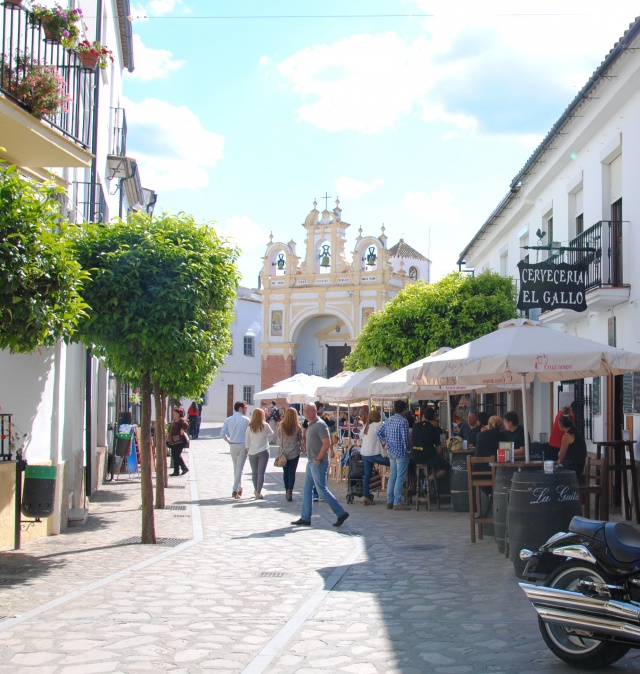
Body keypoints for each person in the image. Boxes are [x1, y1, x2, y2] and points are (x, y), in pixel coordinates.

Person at [291, 403, 349, 527]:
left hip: (318, 462)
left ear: (313, 411)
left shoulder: (320, 425)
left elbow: (327, 443)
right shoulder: (311, 424)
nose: (304, 413)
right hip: (311, 461)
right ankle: (305, 517)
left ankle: (340, 513)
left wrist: (318, 458)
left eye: (306, 410)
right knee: (307, 490)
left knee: (322, 490)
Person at [376, 400, 412, 510]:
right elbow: (405, 439)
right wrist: (409, 450)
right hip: (401, 452)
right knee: (400, 478)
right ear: (404, 410)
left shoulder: (388, 420)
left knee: (393, 476)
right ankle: (397, 502)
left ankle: (389, 501)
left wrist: (384, 443)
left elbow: (378, 433)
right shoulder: (403, 421)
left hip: (391, 451)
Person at [411, 406, 449, 489]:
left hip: (415, 457)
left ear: (424, 416)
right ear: (434, 417)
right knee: (446, 466)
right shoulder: (434, 429)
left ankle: (427, 484)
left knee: (433, 464)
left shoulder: (416, 426)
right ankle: (428, 480)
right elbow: (439, 449)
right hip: (427, 458)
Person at [221, 401, 251, 498]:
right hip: (242, 445)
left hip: (232, 444)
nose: (246, 409)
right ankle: (235, 489)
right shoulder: (246, 420)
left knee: (236, 468)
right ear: (241, 408)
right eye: (245, 407)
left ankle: (239, 487)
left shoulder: (228, 419)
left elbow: (223, 434)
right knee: (239, 468)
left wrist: (229, 440)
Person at [360, 409, 389, 505]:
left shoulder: (366, 427)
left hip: (365, 453)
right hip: (374, 454)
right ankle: (393, 491)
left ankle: (366, 496)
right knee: (394, 463)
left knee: (367, 475)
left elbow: (361, 437)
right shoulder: (379, 425)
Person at [245, 408, 273, 499]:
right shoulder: (265, 425)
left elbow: (247, 441)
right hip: (264, 450)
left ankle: (256, 489)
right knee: (261, 473)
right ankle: (258, 491)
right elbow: (271, 433)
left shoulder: (249, 427)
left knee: (254, 472)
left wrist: (248, 449)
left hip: (252, 451)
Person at [277, 408, 303, 501]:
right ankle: (290, 490)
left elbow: (279, 437)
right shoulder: (297, 427)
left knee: (285, 472)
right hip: (294, 452)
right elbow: (300, 439)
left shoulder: (281, 426)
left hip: (284, 452)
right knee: (292, 473)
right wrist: (302, 449)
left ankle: (286, 489)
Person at [557, 413, 587, 479]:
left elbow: (561, 456)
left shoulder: (567, 436)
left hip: (572, 468)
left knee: (553, 474)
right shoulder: (576, 432)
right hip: (580, 466)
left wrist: (559, 456)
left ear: (561, 424)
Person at [166, 407, 189, 476]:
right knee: (174, 455)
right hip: (174, 441)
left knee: (176, 455)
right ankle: (176, 471)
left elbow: (186, 424)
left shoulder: (180, 420)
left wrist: (182, 429)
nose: (173, 414)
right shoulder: (175, 420)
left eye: (175, 413)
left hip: (180, 441)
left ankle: (184, 468)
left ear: (179, 414)